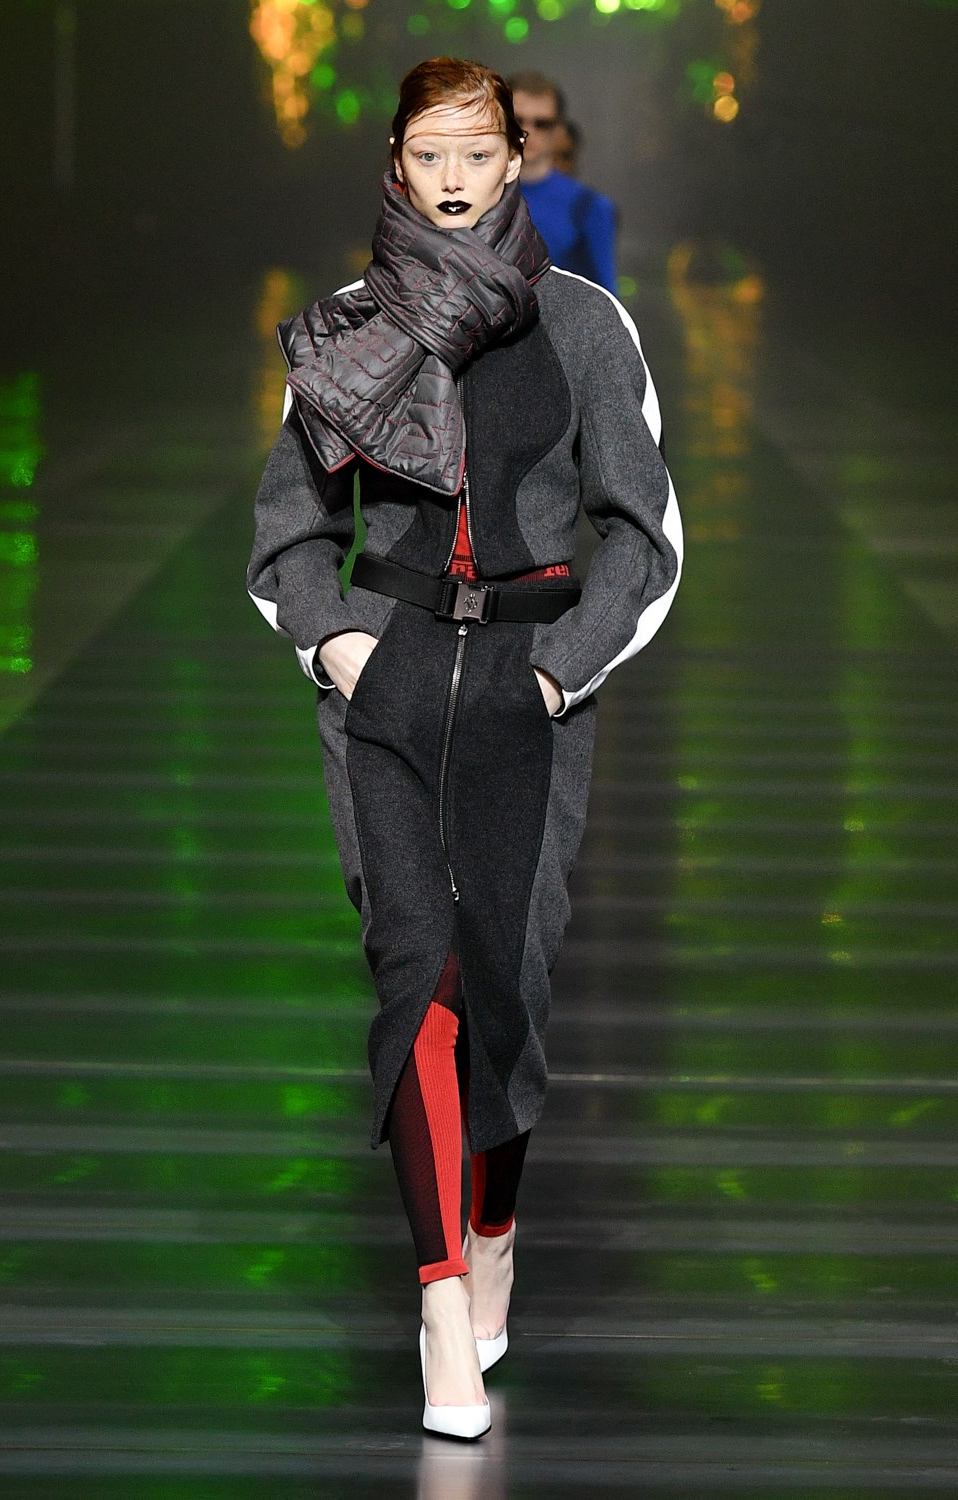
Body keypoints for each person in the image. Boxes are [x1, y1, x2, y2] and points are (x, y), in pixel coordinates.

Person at [247, 56, 681, 1440]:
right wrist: (337, 647)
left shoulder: (586, 325)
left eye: (475, 154)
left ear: (514, 163)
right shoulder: (348, 328)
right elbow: (288, 534)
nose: (450, 179)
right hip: (386, 676)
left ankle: (495, 1229)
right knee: (418, 973)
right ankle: (442, 1306)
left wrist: (557, 671)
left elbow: (644, 535)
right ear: (394, 163)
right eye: (427, 154)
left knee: (506, 982)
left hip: (527, 684)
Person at [510, 71, 618, 294]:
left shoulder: (589, 208)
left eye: (541, 124)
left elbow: (606, 299)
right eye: (518, 120)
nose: (528, 132)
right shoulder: (469, 194)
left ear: (558, 129)